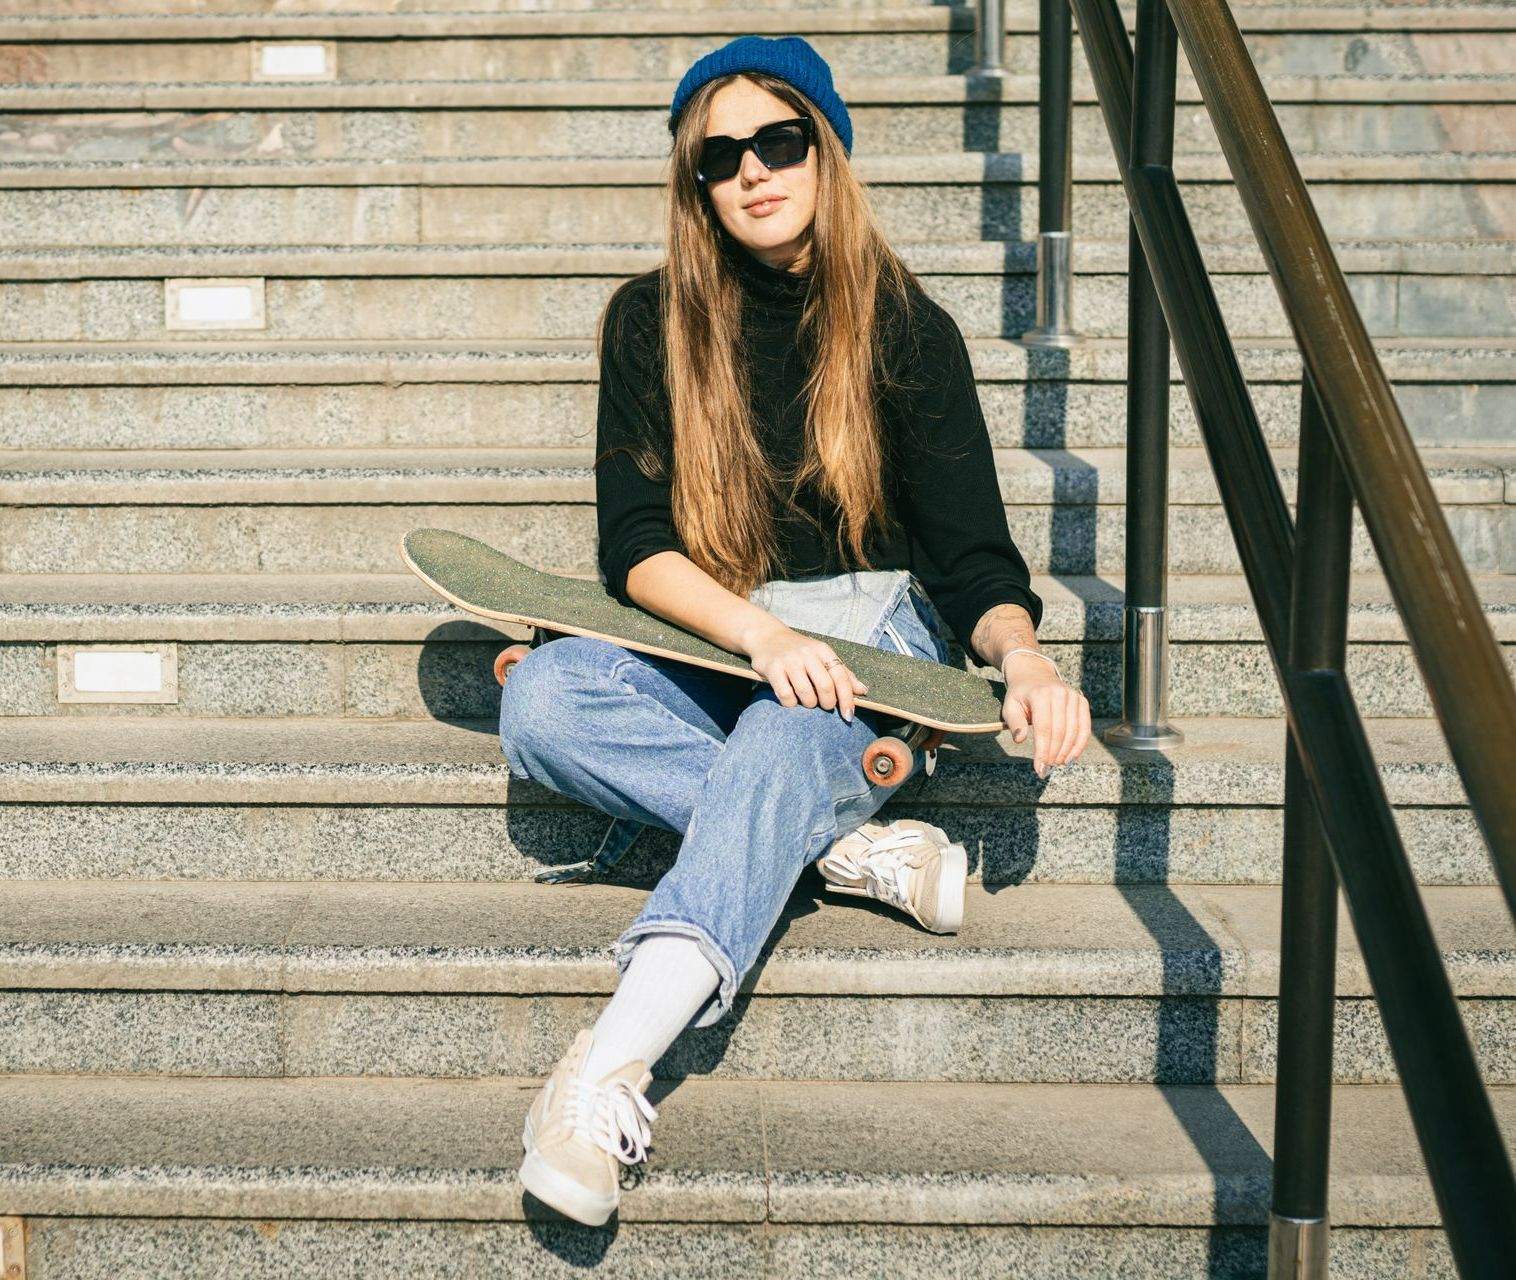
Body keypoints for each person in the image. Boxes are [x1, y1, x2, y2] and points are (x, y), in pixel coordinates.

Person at [502, 34, 1092, 1226]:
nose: (753, 173)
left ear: (825, 149)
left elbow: (970, 551)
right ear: (697, 186)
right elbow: (634, 544)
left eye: (779, 141)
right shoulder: (645, 323)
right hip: (725, 636)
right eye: (721, 158)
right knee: (543, 698)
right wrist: (759, 639)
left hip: (873, 637)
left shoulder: (905, 328)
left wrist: (1022, 657)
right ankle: (836, 848)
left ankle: (606, 1065)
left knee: (785, 739)